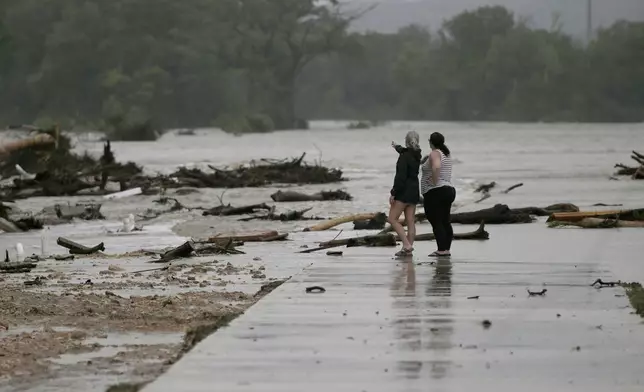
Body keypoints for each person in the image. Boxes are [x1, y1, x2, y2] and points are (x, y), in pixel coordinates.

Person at [421, 132, 455, 257]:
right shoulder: (446, 154)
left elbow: (436, 167)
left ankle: (441, 250)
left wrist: (434, 182)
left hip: (436, 191)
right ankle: (446, 249)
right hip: (449, 189)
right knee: (445, 221)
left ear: (430, 141)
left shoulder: (435, 153)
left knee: (436, 221)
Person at [389, 131, 421, 257]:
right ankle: (408, 248)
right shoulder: (417, 155)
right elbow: (405, 151)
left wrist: (393, 193)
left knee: (392, 219)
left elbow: (400, 177)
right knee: (410, 221)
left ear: (406, 141)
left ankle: (406, 245)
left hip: (403, 191)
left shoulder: (404, 157)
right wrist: (397, 147)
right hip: (414, 191)